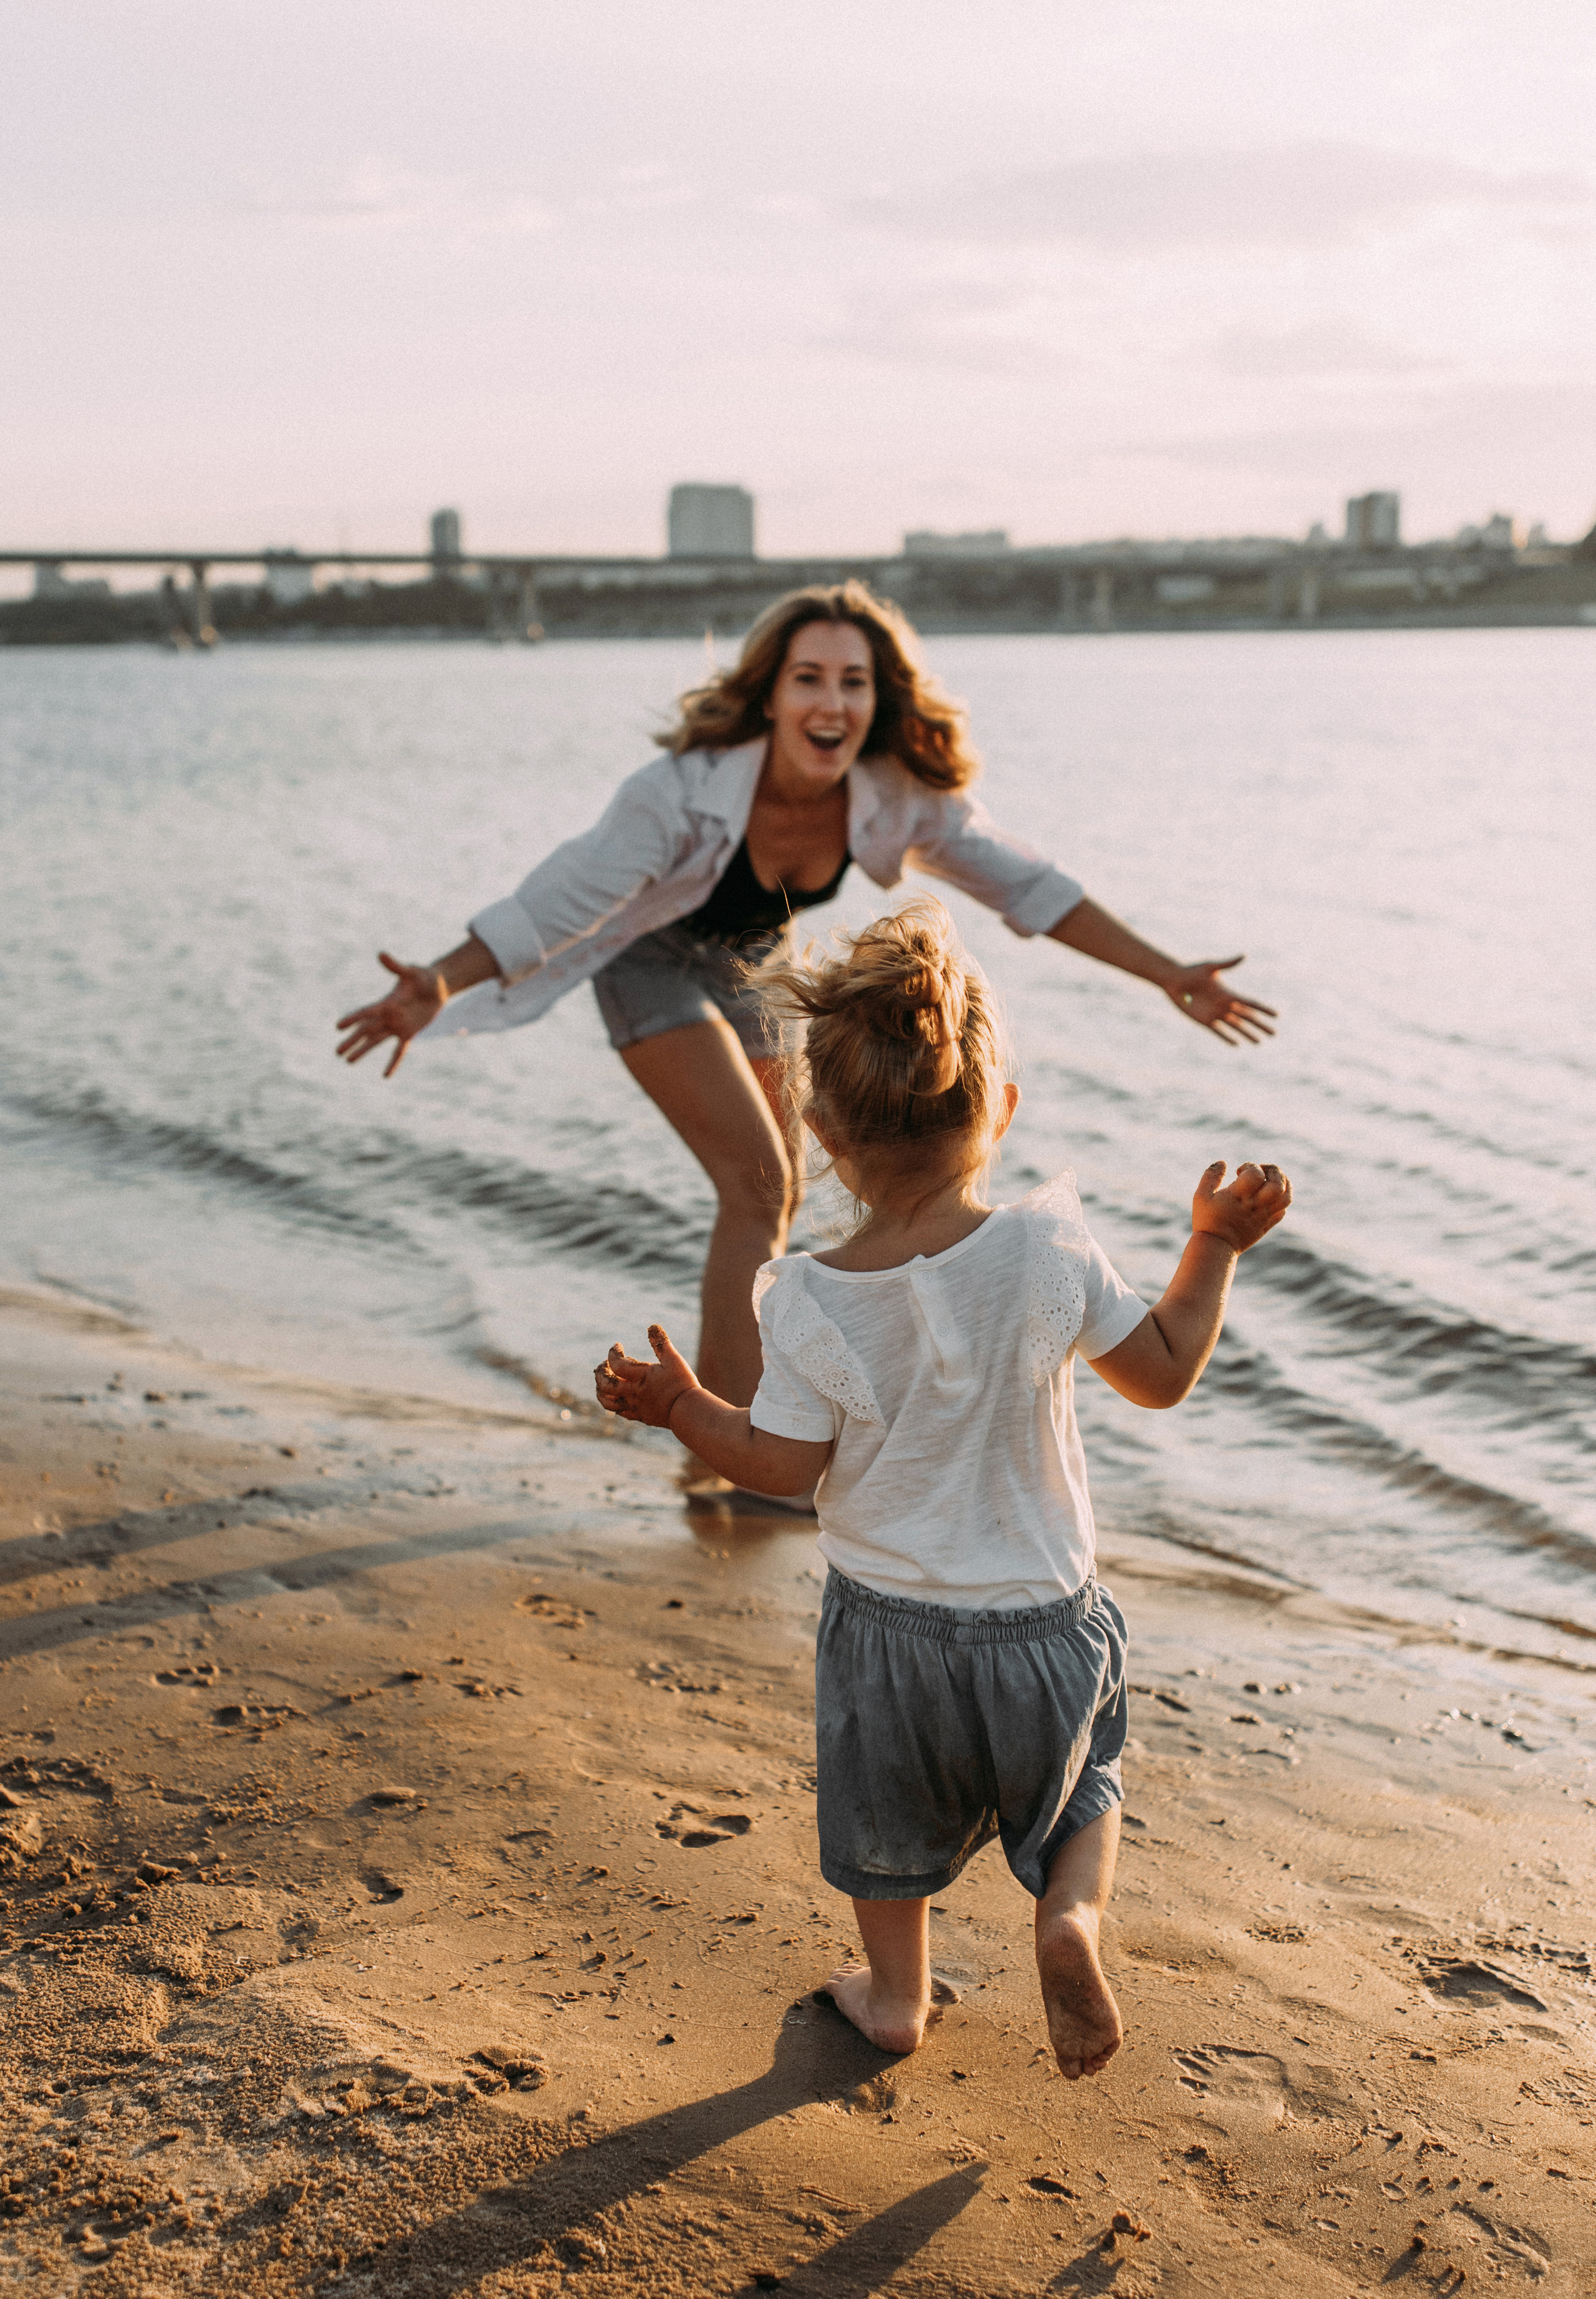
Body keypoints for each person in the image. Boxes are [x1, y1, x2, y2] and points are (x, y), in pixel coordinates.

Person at [335, 581, 1274, 1473]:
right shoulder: (680, 792)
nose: (832, 700)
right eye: (810, 678)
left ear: (877, 701)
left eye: (854, 682)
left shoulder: (893, 793)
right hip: (648, 960)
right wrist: (443, 983)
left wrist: (1165, 974)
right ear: (773, 697)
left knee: (782, 1196)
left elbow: (1028, 886)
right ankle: (728, 1454)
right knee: (758, 1180)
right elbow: (561, 899)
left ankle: (742, 1428)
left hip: (752, 960)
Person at [594, 900, 1291, 2076]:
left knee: (888, 1838)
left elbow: (779, 1469)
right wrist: (1212, 1245)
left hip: (891, 1640)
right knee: (1081, 1795)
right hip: (1044, 1623)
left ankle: (897, 2001)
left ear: (816, 1130)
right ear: (999, 1111)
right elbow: (1165, 1374)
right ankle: (1069, 1920)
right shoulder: (1047, 1247)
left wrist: (684, 1408)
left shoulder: (805, 1297)